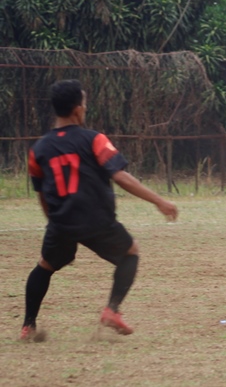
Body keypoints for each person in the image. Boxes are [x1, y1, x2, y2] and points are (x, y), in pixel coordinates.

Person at [20, 79, 178, 341]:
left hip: (61, 221)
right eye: (84, 103)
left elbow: (42, 195)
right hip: (96, 219)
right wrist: (159, 201)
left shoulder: (38, 149)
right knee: (131, 252)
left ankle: (28, 326)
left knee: (45, 265)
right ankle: (112, 310)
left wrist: (56, 225)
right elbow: (121, 177)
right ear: (77, 109)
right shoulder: (94, 139)